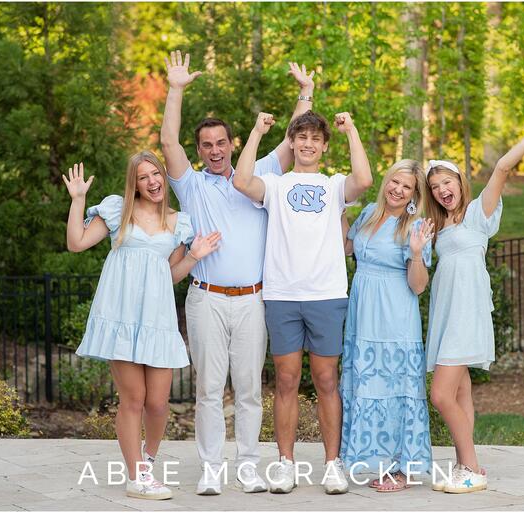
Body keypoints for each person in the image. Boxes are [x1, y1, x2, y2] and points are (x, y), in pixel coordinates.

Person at [160, 50, 316, 495]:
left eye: (221, 143)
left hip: (253, 299)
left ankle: (248, 464)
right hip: (206, 296)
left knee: (249, 390)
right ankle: (211, 467)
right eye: (206, 145)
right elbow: (167, 143)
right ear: (200, 150)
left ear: (232, 144)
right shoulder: (190, 185)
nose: (214, 151)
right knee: (209, 389)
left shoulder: (259, 172)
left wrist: (305, 93)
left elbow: (291, 142)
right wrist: (175, 91)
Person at [62, 152, 221, 500]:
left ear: (164, 177)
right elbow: (76, 243)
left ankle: (147, 459)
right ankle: (137, 476)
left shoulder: (180, 222)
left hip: (157, 319)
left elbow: (171, 275)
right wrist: (78, 201)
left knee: (159, 404)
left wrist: (194, 255)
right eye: (143, 177)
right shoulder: (119, 211)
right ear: (134, 183)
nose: (152, 182)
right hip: (121, 317)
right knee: (133, 399)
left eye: (156, 174)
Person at [424, 113, 524, 494]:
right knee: (459, 393)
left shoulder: (477, 213)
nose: (441, 189)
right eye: (435, 186)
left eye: (447, 182)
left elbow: (503, 166)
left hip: (466, 314)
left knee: (440, 394)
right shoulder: (439, 225)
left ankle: (471, 467)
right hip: (446, 312)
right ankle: (462, 466)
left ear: (459, 183)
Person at [233, 109, 373, 495]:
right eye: (302, 137)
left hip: (326, 294)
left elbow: (365, 179)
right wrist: (257, 132)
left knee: (327, 380)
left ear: (324, 146)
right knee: (286, 380)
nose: (308, 144)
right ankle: (285, 464)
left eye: (316, 139)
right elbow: (241, 180)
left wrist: (353, 130)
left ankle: (332, 464)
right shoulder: (276, 185)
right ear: (292, 142)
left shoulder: (333, 186)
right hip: (282, 295)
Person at [339, 159, 435, 492]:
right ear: (386, 182)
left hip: (395, 314)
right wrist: (338, 207)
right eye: (394, 182)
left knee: (397, 390)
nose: (397, 190)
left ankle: (402, 469)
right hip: (362, 311)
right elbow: (346, 248)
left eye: (406, 186)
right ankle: (373, 461)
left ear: (414, 194)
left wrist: (418, 253)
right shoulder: (368, 213)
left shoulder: (417, 226)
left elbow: (419, 286)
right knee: (365, 386)